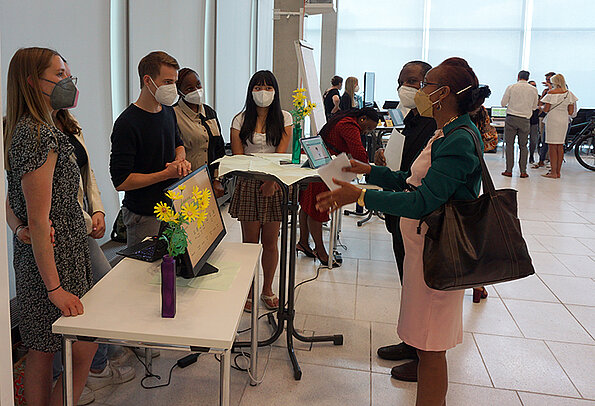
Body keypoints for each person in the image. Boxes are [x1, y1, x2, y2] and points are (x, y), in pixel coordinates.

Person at [316, 57, 490, 406]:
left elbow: (423, 201)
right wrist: (370, 172)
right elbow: (409, 180)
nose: (419, 91)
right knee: (426, 346)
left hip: (437, 255)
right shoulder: (445, 130)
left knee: (431, 348)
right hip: (421, 253)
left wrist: (361, 195)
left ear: (443, 93)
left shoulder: (459, 138)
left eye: (426, 85)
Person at [3, 46, 97, 406]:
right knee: (75, 348)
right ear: (31, 81)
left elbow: (17, 203)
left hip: (59, 256)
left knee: (45, 352)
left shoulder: (36, 129)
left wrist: (16, 227)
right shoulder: (37, 134)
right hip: (52, 266)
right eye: (58, 74)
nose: (67, 81)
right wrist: (54, 288)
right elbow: (40, 221)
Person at [373, 60, 436, 382]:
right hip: (401, 212)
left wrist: (363, 195)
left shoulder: (439, 125)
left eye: (412, 81)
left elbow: (420, 178)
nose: (405, 87)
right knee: (409, 282)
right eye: (401, 81)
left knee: (423, 288)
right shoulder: (411, 116)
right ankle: (411, 342)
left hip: (422, 217)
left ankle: (424, 354)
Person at [110, 51, 191, 248]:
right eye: (167, 82)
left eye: (174, 82)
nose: (173, 88)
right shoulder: (127, 123)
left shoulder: (168, 112)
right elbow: (121, 181)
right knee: (143, 274)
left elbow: (178, 143)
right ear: (148, 80)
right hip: (144, 215)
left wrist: (180, 160)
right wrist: (165, 174)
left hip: (171, 207)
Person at [229, 70, 292, 312]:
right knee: (249, 243)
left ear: (275, 91)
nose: (262, 92)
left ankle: (267, 288)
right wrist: (258, 178)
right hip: (248, 183)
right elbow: (238, 157)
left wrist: (271, 180)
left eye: (267, 87)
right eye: (257, 87)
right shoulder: (239, 119)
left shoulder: (285, 118)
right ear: (250, 90)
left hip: (274, 184)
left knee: (270, 241)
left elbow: (282, 154)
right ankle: (249, 287)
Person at [297, 108, 378, 266]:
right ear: (362, 119)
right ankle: (320, 252)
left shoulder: (344, 118)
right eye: (368, 128)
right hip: (325, 164)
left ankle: (303, 243)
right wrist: (371, 167)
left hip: (318, 158)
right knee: (316, 209)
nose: (366, 132)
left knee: (307, 205)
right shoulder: (350, 126)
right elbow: (359, 153)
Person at [174, 67, 225, 196]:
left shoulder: (209, 112)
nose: (196, 91)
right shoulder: (173, 115)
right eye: (190, 88)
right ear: (180, 92)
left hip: (209, 183)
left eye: (198, 85)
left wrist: (217, 179)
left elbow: (219, 149)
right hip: (184, 186)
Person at [500, 70, 539, 178]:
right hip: (525, 120)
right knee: (523, 146)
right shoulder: (533, 90)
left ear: (518, 77)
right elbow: (534, 106)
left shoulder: (511, 87)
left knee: (509, 145)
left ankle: (508, 170)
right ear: (528, 78)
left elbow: (503, 103)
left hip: (511, 118)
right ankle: (523, 171)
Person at [539, 74, 578, 178]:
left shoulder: (550, 93)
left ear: (554, 82)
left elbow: (546, 109)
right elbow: (570, 111)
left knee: (552, 146)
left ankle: (553, 172)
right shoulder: (569, 94)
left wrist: (541, 107)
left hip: (552, 120)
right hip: (563, 120)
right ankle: (558, 172)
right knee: (560, 146)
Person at [532, 71, 556, 168]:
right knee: (543, 139)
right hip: (543, 116)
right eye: (546, 80)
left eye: (549, 80)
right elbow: (541, 103)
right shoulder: (546, 91)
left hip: (554, 118)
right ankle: (542, 159)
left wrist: (550, 88)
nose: (547, 82)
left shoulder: (560, 90)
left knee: (553, 140)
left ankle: (551, 160)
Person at [528, 80, 541, 164]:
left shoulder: (538, 97)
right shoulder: (525, 97)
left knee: (533, 140)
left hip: (534, 121)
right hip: (525, 120)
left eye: (535, 85)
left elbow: (539, 108)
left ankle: (531, 155)